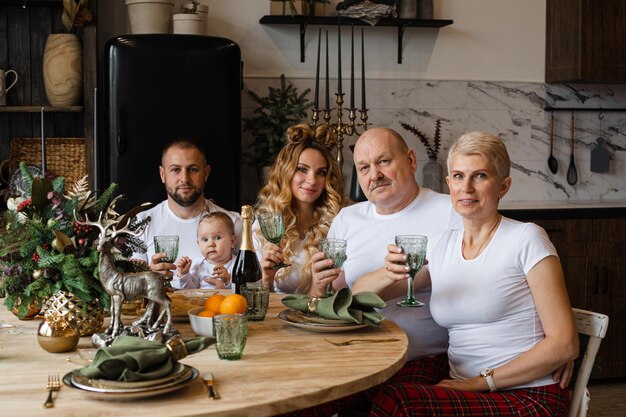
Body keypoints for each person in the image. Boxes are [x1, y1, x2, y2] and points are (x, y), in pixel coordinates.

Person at [370, 131, 579, 417]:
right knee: (377, 389)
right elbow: (365, 294)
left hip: (528, 393)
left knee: (398, 402)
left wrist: (478, 383)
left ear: (503, 186)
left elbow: (565, 343)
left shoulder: (527, 238)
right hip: (466, 386)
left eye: (480, 176)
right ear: (448, 184)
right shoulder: (443, 245)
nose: (466, 187)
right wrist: (387, 270)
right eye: (458, 176)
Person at [312, 127, 460, 360]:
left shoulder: (452, 211)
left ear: (411, 160)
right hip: (352, 353)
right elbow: (333, 298)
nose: (375, 175)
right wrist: (319, 286)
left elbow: (427, 277)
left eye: (383, 161)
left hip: (419, 358)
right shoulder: (346, 219)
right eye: (364, 168)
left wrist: (370, 283)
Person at [133, 139, 241, 288]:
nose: (184, 179)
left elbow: (252, 283)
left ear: (206, 173)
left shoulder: (235, 222)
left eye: (193, 169)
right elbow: (129, 287)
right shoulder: (141, 223)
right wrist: (148, 275)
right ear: (162, 174)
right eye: (175, 170)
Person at [254, 123, 347, 294]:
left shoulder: (340, 221)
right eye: (302, 169)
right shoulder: (264, 227)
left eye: (321, 172)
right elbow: (258, 304)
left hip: (324, 317)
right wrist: (267, 278)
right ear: (285, 172)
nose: (312, 180)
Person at [176, 212, 236, 289]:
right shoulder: (199, 265)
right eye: (205, 239)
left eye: (218, 237)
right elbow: (189, 290)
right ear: (198, 244)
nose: (211, 244)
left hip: (228, 300)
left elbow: (243, 289)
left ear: (232, 241)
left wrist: (227, 280)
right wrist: (184, 274)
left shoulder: (237, 264)